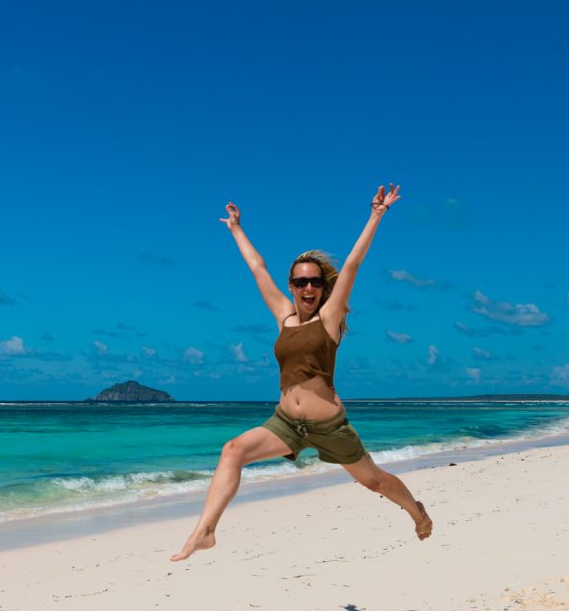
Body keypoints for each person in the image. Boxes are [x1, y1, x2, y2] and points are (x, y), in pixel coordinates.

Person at [170, 184, 433, 561]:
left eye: (314, 281)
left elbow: (354, 266)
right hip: (286, 424)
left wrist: (376, 215)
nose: (308, 287)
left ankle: (415, 510)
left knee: (374, 481)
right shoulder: (284, 316)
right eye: (300, 281)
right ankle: (206, 531)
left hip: (330, 427)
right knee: (232, 451)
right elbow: (258, 269)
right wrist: (236, 229)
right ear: (291, 286)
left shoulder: (330, 318)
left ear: (323, 286)